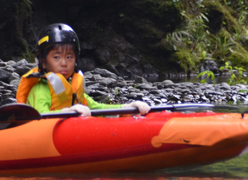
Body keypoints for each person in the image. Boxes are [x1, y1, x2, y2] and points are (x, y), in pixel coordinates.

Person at [16, 23, 150, 116]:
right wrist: (68, 112)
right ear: (43, 62)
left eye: (69, 57)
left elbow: (98, 108)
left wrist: (127, 107)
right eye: (56, 57)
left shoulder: (71, 88)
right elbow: (41, 115)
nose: (64, 63)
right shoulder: (40, 89)